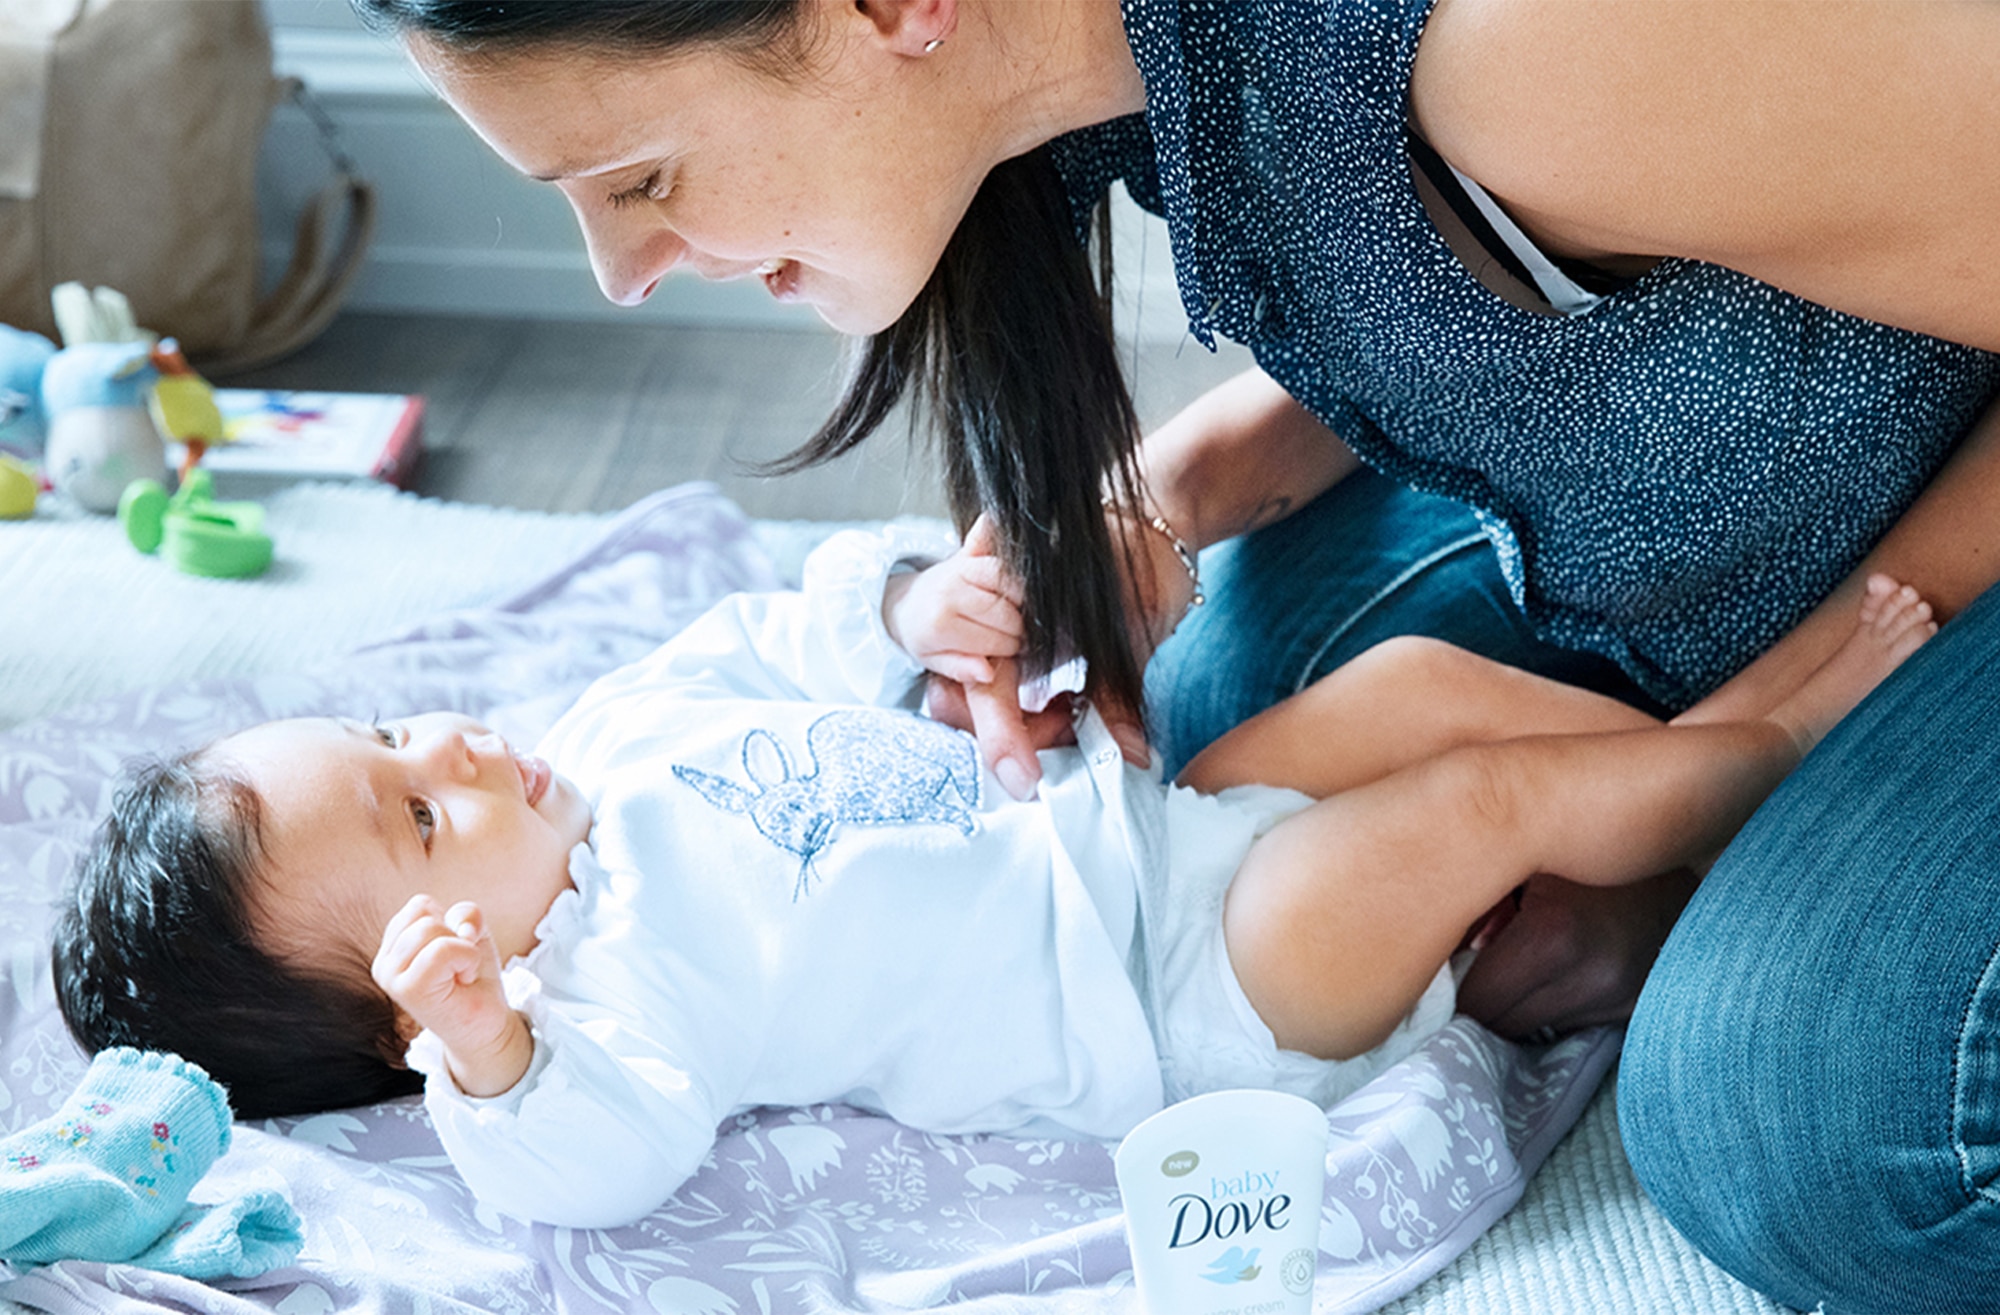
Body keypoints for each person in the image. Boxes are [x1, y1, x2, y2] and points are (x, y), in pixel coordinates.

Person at [344, 1, 2000, 1306]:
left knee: (1798, 1133)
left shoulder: (1519, 54)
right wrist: (1156, 505)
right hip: (1785, 421)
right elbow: (1474, 276)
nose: (621, 276)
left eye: (637, 181)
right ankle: (1676, 847)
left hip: (1938, 502)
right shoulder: (1137, 68)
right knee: (1207, 739)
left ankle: (1702, 847)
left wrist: (1778, 717)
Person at [51, 526, 1931, 1229]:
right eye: (421, 821)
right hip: (1191, 992)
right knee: (1467, 808)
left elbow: (784, 630)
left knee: (1414, 693)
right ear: (431, 982)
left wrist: (900, 604)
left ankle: (1685, 778)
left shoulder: (614, 737)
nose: (456, 755)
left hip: (1148, 827)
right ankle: (1775, 750)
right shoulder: (602, 1011)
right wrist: (487, 1059)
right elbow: (587, 1170)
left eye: (405, 743)